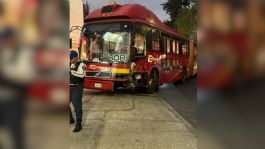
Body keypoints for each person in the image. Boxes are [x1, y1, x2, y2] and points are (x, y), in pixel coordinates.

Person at [69, 50, 86, 133]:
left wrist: (71, 71)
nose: (70, 59)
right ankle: (70, 119)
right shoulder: (68, 63)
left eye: (71, 58)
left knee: (77, 107)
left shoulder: (81, 64)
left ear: (76, 57)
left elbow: (82, 75)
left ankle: (78, 125)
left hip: (76, 87)